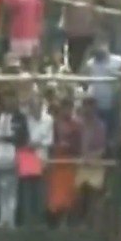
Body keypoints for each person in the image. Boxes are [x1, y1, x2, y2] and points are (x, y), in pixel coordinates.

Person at [0, 94, 27, 227]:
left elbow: (23, 138)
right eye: (6, 99)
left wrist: (6, 139)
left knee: (11, 191)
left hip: (12, 157)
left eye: (12, 99)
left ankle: (10, 220)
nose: (9, 102)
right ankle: (1, 219)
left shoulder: (20, 118)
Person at [20, 91, 54, 227]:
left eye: (36, 105)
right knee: (27, 193)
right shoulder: (26, 119)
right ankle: (27, 223)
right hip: (27, 159)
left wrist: (35, 143)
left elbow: (49, 141)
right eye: (32, 105)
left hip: (41, 160)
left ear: (41, 106)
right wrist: (33, 143)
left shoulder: (49, 119)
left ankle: (40, 223)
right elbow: (25, 139)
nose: (34, 108)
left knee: (40, 193)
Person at [47, 96, 81, 226]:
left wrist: (69, 147)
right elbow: (50, 143)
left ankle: (66, 222)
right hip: (56, 162)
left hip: (69, 163)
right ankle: (55, 223)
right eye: (64, 108)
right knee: (55, 196)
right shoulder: (54, 124)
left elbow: (78, 145)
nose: (67, 111)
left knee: (68, 196)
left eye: (69, 108)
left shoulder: (76, 126)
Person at [76, 96, 109, 226]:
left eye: (90, 106)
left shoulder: (100, 126)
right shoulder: (78, 124)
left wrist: (90, 157)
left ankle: (94, 227)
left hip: (95, 165)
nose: (88, 109)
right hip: (80, 165)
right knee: (79, 197)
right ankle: (80, 225)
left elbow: (102, 149)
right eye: (86, 105)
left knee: (94, 198)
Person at [82, 44, 121, 143]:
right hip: (97, 104)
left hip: (113, 103)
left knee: (113, 130)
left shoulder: (117, 61)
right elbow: (84, 77)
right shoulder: (91, 63)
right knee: (99, 132)